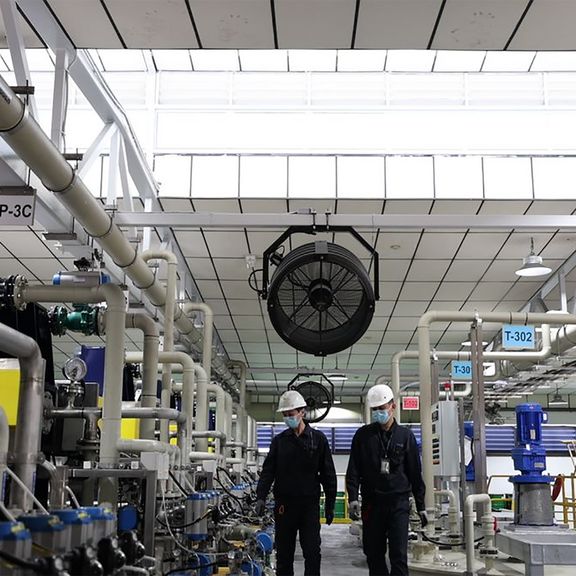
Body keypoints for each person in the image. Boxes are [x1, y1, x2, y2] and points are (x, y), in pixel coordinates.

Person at [346, 384, 426, 576]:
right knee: (373, 554)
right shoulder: (363, 436)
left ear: (393, 406)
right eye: (375, 410)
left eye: (382, 409)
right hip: (372, 504)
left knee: (398, 555)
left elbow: (415, 472)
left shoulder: (405, 436)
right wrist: (353, 498)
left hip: (398, 504)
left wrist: (421, 505)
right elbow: (354, 468)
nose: (378, 413)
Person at [255, 390, 337, 576]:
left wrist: (330, 504)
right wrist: (260, 496)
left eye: (290, 414)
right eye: (285, 415)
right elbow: (268, 471)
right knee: (284, 555)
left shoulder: (318, 440)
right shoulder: (279, 441)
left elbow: (328, 474)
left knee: (312, 553)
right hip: (285, 506)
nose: (287, 418)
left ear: (302, 412)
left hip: (309, 506)